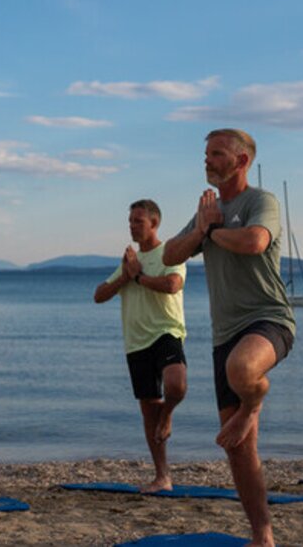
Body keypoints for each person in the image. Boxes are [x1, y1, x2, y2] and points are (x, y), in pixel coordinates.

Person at [162, 128, 295, 547]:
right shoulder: (210, 211)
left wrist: (211, 232)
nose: (207, 160)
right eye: (206, 153)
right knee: (239, 450)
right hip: (224, 333)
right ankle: (262, 535)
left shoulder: (261, 202)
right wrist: (201, 229)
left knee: (243, 368)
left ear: (241, 161)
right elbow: (169, 254)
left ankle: (254, 402)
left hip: (269, 319)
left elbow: (255, 241)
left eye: (217, 153)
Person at [93, 199, 188, 493]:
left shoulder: (170, 252)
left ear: (154, 223)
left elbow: (172, 285)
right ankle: (162, 476)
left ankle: (168, 415)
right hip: (136, 342)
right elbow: (99, 295)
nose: (132, 226)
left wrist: (138, 277)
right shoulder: (129, 263)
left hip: (166, 331)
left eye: (138, 221)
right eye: (130, 221)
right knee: (149, 411)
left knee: (176, 385)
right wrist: (125, 276)